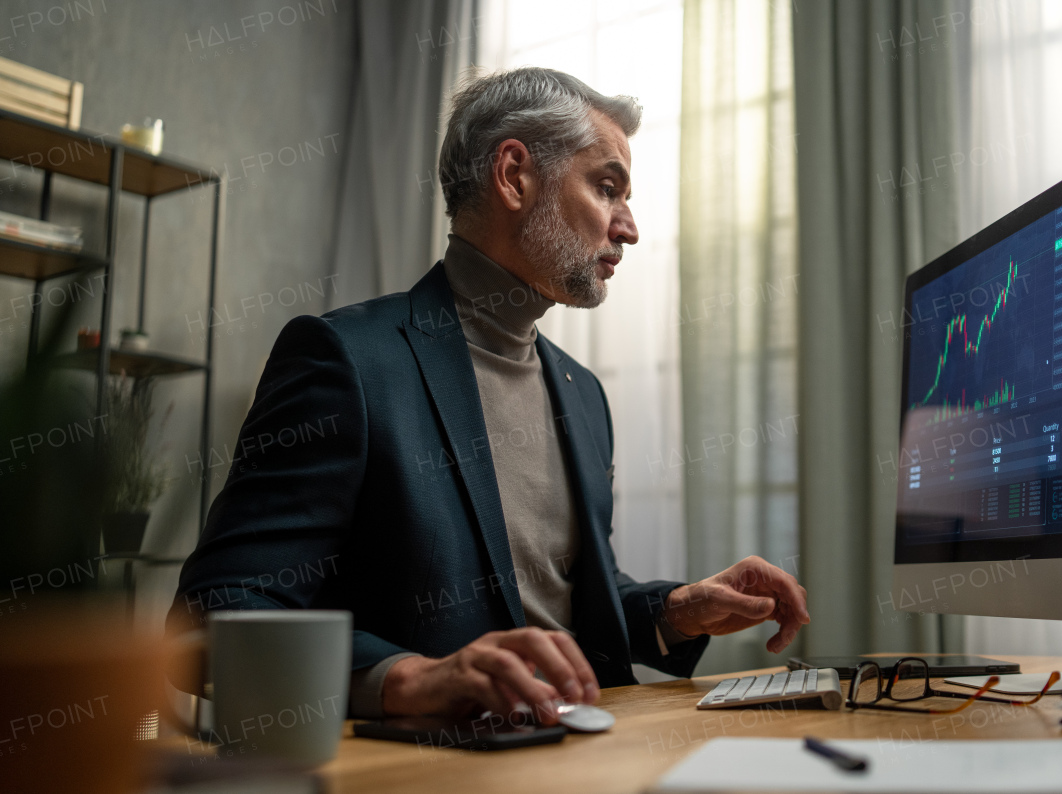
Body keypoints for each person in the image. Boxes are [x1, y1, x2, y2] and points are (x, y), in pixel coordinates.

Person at [168, 67, 809, 723]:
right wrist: (408, 678)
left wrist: (676, 611)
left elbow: (559, 596)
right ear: (513, 176)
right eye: (607, 187)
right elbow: (211, 615)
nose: (629, 228)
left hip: (591, 756)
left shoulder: (583, 393)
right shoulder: (345, 360)